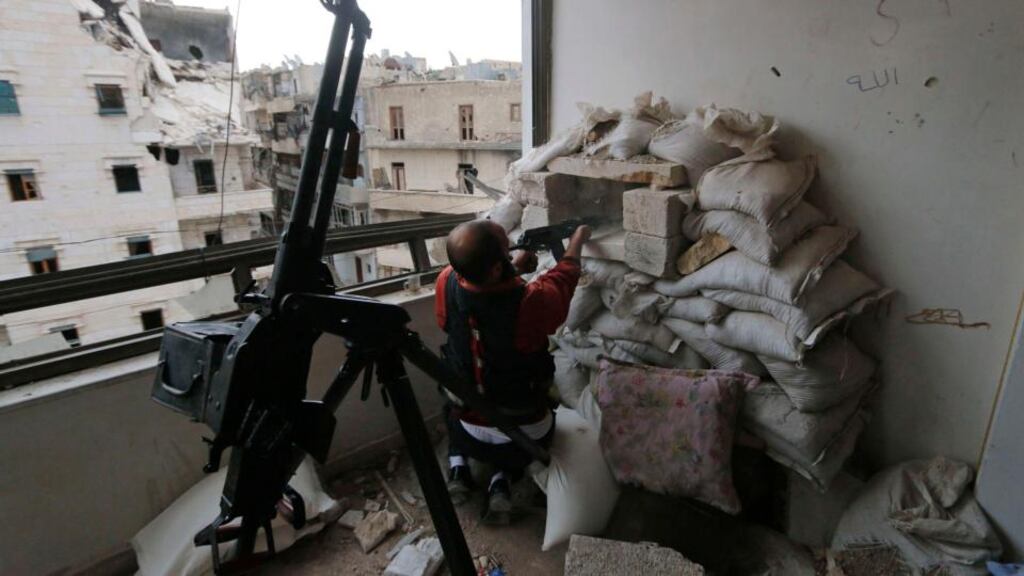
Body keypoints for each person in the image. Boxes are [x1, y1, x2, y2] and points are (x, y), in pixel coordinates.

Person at [434, 218, 591, 524]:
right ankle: (501, 480)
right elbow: (565, 275)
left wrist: (512, 270)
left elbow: (470, 308)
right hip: (524, 428)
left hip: (466, 423)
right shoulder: (531, 302)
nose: (511, 252)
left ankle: (458, 467)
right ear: (495, 269)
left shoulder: (446, 280)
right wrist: (578, 238)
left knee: (455, 392)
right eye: (506, 252)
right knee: (519, 428)